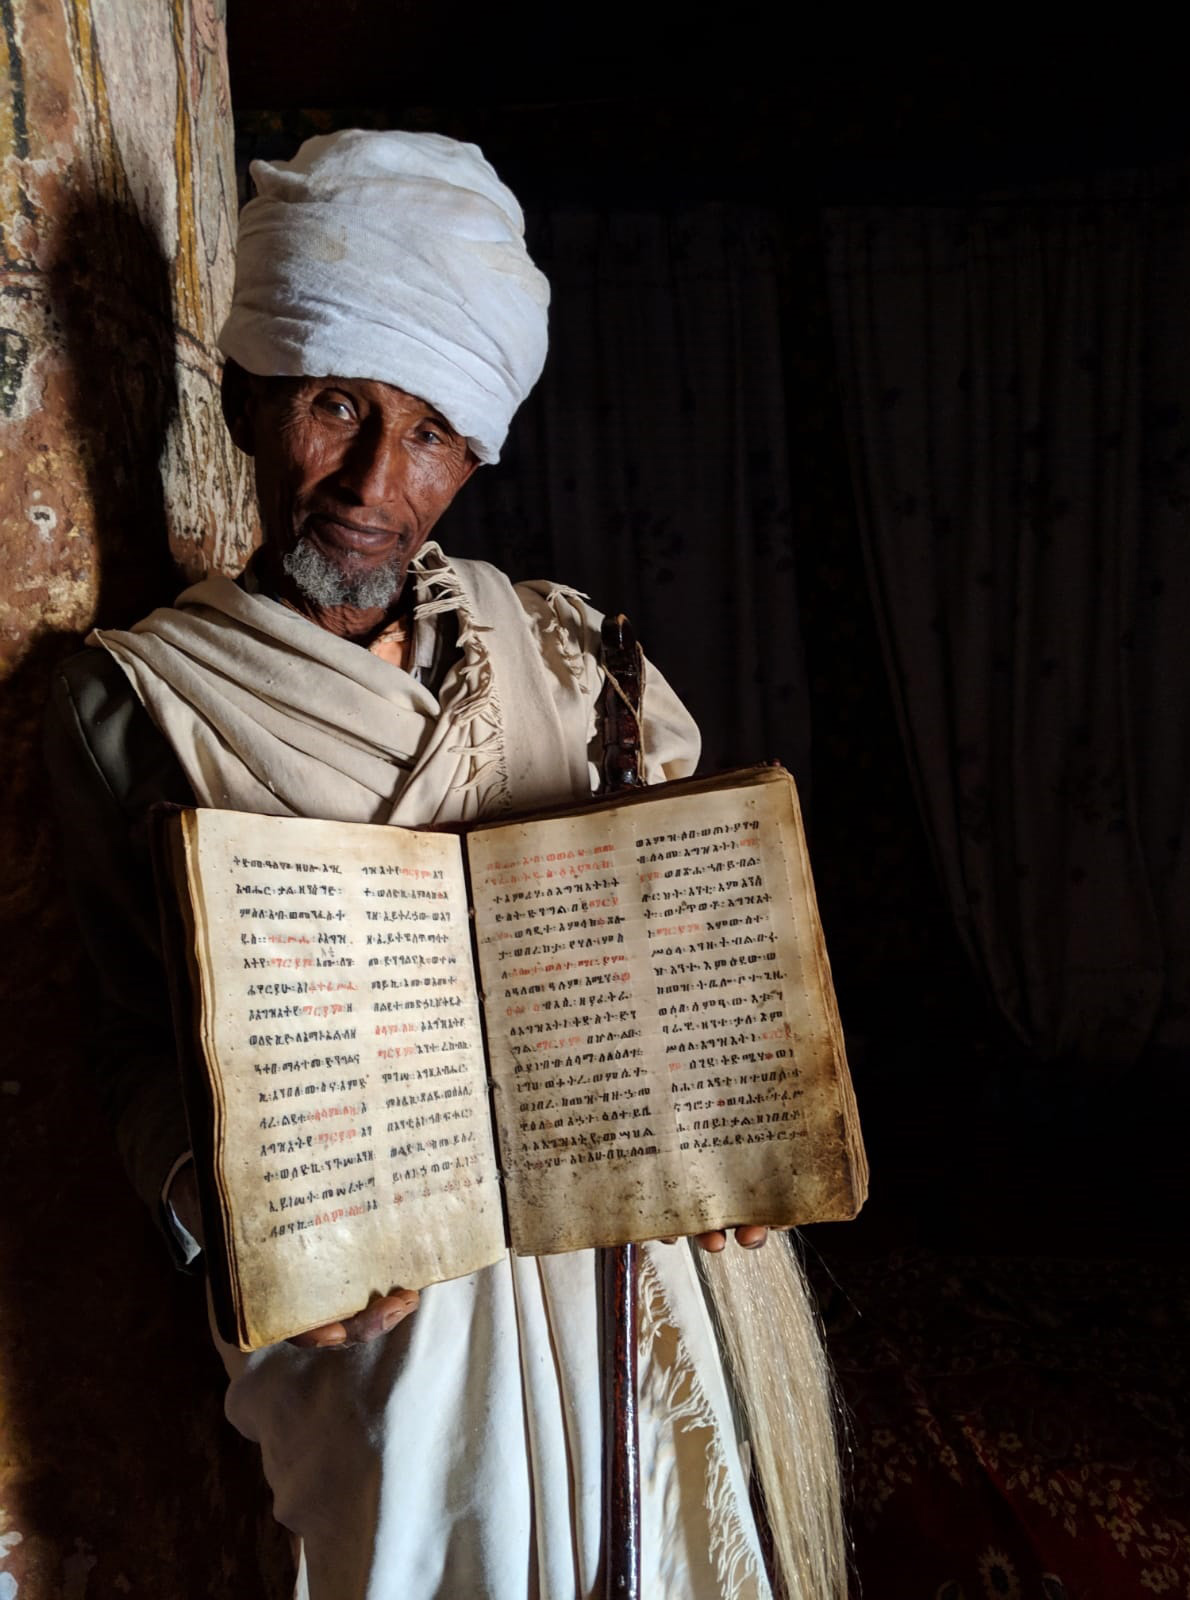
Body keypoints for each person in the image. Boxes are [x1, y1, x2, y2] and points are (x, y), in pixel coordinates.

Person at [47, 131, 844, 1600]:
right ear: (250, 392)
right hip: (375, 1322)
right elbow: (120, 1042)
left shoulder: (565, 652)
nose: (369, 480)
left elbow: (694, 948)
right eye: (336, 404)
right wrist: (230, 1214)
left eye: (427, 434)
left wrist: (734, 1134)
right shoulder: (135, 701)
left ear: (478, 447)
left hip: (626, 1274)